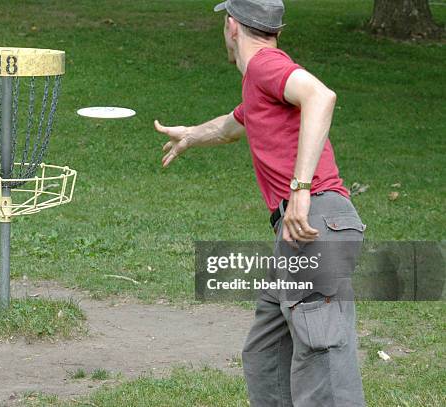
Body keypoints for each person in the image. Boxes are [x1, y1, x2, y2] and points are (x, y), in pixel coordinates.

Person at [154, 1, 366, 406]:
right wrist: (191, 136)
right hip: (299, 233)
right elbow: (234, 125)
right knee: (267, 353)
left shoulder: (266, 66)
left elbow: (321, 97)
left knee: (322, 358)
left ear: (231, 25)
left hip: (314, 221)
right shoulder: (261, 80)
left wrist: (299, 190)